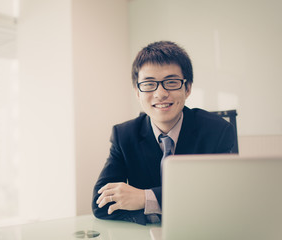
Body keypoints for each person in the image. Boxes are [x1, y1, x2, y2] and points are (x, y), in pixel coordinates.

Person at [91, 41, 237, 225]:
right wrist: (156, 212)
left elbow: (222, 197)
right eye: (149, 84)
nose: (160, 93)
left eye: (171, 82)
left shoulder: (217, 131)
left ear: (188, 88)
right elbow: (101, 205)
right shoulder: (124, 135)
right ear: (137, 92)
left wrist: (146, 199)